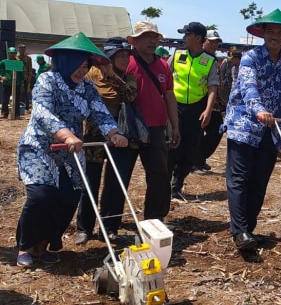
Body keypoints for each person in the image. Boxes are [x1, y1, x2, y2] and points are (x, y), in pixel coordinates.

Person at [15, 32, 128, 267]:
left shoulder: (87, 86)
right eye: (78, 65)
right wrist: (66, 135)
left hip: (71, 151)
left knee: (68, 197)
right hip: (41, 147)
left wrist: (114, 133)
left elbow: (99, 111)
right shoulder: (48, 81)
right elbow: (43, 114)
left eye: (85, 66)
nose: (81, 70)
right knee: (41, 196)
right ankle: (26, 246)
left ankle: (43, 245)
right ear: (64, 61)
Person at [224, 8, 281, 251]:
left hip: (271, 127)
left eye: (280, 32)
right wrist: (258, 110)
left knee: (260, 179)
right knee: (239, 178)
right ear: (263, 33)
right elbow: (248, 87)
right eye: (270, 31)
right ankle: (240, 231)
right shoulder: (250, 58)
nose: (275, 35)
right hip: (245, 123)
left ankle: (248, 230)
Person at [75, 37, 137, 244]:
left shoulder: (129, 78)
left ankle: (109, 228)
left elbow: (131, 96)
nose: (124, 59)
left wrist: (113, 78)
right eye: (120, 55)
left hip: (120, 137)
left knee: (115, 184)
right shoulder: (90, 75)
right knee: (90, 182)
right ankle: (84, 228)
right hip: (93, 136)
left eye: (126, 56)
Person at [125, 21, 180, 221]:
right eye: (145, 37)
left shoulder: (163, 65)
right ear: (135, 41)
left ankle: (154, 218)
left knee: (159, 174)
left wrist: (175, 126)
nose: (151, 41)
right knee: (119, 176)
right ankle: (110, 224)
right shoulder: (127, 63)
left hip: (156, 128)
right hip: (128, 129)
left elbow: (169, 96)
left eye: (154, 37)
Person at [168, 22, 219, 198]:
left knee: (189, 147)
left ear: (197, 38)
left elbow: (213, 87)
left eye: (187, 34)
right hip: (174, 107)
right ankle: (164, 184)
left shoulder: (210, 61)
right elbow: (166, 78)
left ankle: (177, 184)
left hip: (196, 109)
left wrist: (208, 110)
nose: (184, 38)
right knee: (172, 145)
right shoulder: (176, 54)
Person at [193, 29, 224, 173]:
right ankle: (195, 161)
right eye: (211, 41)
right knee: (198, 132)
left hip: (213, 103)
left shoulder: (214, 60)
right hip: (198, 100)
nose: (214, 44)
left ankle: (198, 158)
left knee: (217, 130)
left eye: (216, 42)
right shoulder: (198, 57)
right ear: (203, 41)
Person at [0, 46, 24, 118]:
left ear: (16, 54)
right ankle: (4, 113)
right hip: (7, 84)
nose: (12, 55)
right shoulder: (3, 62)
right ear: (8, 53)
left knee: (17, 99)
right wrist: (2, 77)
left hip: (17, 84)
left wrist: (22, 84)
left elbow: (21, 74)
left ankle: (17, 114)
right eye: (11, 53)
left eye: (13, 53)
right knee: (5, 99)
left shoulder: (19, 63)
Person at [17, 43, 33, 111]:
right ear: (19, 49)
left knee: (26, 93)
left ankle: (26, 108)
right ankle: (18, 107)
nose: (22, 50)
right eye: (21, 48)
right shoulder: (16, 58)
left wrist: (29, 79)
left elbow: (30, 69)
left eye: (23, 48)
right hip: (18, 78)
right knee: (18, 93)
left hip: (26, 78)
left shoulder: (28, 58)